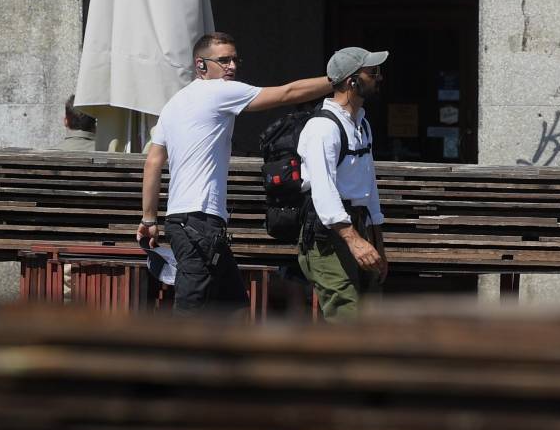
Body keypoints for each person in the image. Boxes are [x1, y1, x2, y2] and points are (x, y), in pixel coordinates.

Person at [136, 32, 334, 313]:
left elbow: (154, 161)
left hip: (186, 223)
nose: (232, 66)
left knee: (232, 307)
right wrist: (336, 80)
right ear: (201, 65)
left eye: (234, 59)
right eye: (224, 60)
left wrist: (148, 218)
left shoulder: (174, 103)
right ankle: (174, 357)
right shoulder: (218, 91)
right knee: (191, 311)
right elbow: (286, 93)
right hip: (200, 223)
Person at [297, 47, 389, 321]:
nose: (379, 77)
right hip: (329, 235)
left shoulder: (361, 124)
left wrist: (379, 245)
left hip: (359, 227)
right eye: (372, 73)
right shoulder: (322, 128)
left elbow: (369, 187)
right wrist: (354, 240)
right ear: (352, 81)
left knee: (370, 317)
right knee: (345, 315)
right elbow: (323, 192)